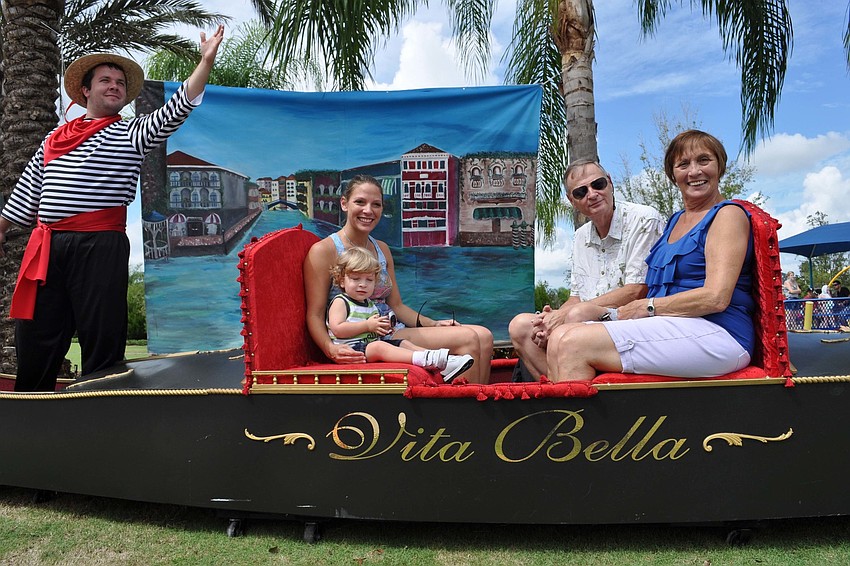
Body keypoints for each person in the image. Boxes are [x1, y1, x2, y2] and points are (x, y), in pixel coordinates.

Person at [0, 26, 225, 392]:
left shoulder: (131, 133)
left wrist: (205, 61)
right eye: (105, 80)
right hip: (48, 247)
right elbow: (28, 191)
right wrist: (3, 226)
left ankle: (99, 411)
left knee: (101, 333)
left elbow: (178, 106)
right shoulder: (52, 139)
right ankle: (31, 412)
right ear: (86, 90)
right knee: (36, 333)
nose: (115, 86)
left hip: (100, 245)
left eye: (120, 82)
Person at [545, 130, 755, 381]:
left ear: (719, 165)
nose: (694, 171)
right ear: (673, 174)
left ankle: (575, 419)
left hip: (720, 332)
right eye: (683, 164)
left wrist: (648, 306)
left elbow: (716, 298)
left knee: (573, 343)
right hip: (673, 324)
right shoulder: (676, 220)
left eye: (704, 160)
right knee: (558, 337)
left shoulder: (727, 215)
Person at [304, 174, 494, 384]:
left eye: (376, 204)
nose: (368, 210)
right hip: (363, 340)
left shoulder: (382, 249)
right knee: (467, 338)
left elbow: (396, 305)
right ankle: (461, 411)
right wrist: (330, 349)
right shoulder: (323, 251)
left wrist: (433, 324)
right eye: (360, 202)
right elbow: (315, 313)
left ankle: (479, 405)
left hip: (392, 330)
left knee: (484, 336)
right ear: (344, 203)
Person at [508, 159, 665, 380]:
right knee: (522, 326)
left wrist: (565, 315)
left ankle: (572, 396)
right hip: (582, 322)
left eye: (598, 184)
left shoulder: (643, 219)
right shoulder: (581, 236)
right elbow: (576, 297)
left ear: (610, 183)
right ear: (572, 201)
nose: (592, 194)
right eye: (581, 192)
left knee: (578, 313)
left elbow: (637, 290)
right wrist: (549, 320)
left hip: (632, 322)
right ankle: (558, 394)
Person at [327, 247, 474, 382]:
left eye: (369, 280)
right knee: (379, 346)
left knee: (403, 342)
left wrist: (382, 328)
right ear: (341, 280)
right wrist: (367, 325)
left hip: (368, 346)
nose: (363, 284)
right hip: (352, 351)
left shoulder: (369, 304)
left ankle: (442, 361)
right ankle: (427, 359)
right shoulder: (341, 301)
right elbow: (338, 329)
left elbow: (375, 329)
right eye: (355, 279)